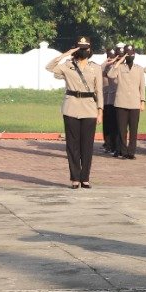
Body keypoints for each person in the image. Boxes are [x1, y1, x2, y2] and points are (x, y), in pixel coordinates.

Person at [47, 36, 102, 189]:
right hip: (71, 107)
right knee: (72, 145)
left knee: (87, 145)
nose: (84, 51)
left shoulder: (95, 67)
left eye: (86, 48)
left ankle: (85, 178)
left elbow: (99, 91)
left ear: (90, 49)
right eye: (80, 48)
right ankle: (75, 178)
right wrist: (66, 54)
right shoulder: (67, 65)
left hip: (89, 108)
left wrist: (100, 110)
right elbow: (49, 67)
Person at [109, 45, 146, 159]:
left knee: (133, 129)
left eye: (131, 53)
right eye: (127, 54)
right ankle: (123, 151)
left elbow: (142, 86)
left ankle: (131, 152)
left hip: (135, 102)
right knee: (122, 129)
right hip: (121, 102)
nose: (129, 56)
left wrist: (142, 101)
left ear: (134, 54)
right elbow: (110, 74)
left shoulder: (139, 69)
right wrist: (119, 61)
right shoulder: (119, 67)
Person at [101, 46, 122, 156]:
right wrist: (109, 62)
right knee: (108, 125)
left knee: (117, 125)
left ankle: (115, 145)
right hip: (107, 99)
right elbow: (100, 70)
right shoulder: (107, 66)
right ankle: (108, 144)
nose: (112, 58)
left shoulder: (120, 67)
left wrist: (118, 61)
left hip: (118, 99)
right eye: (109, 56)